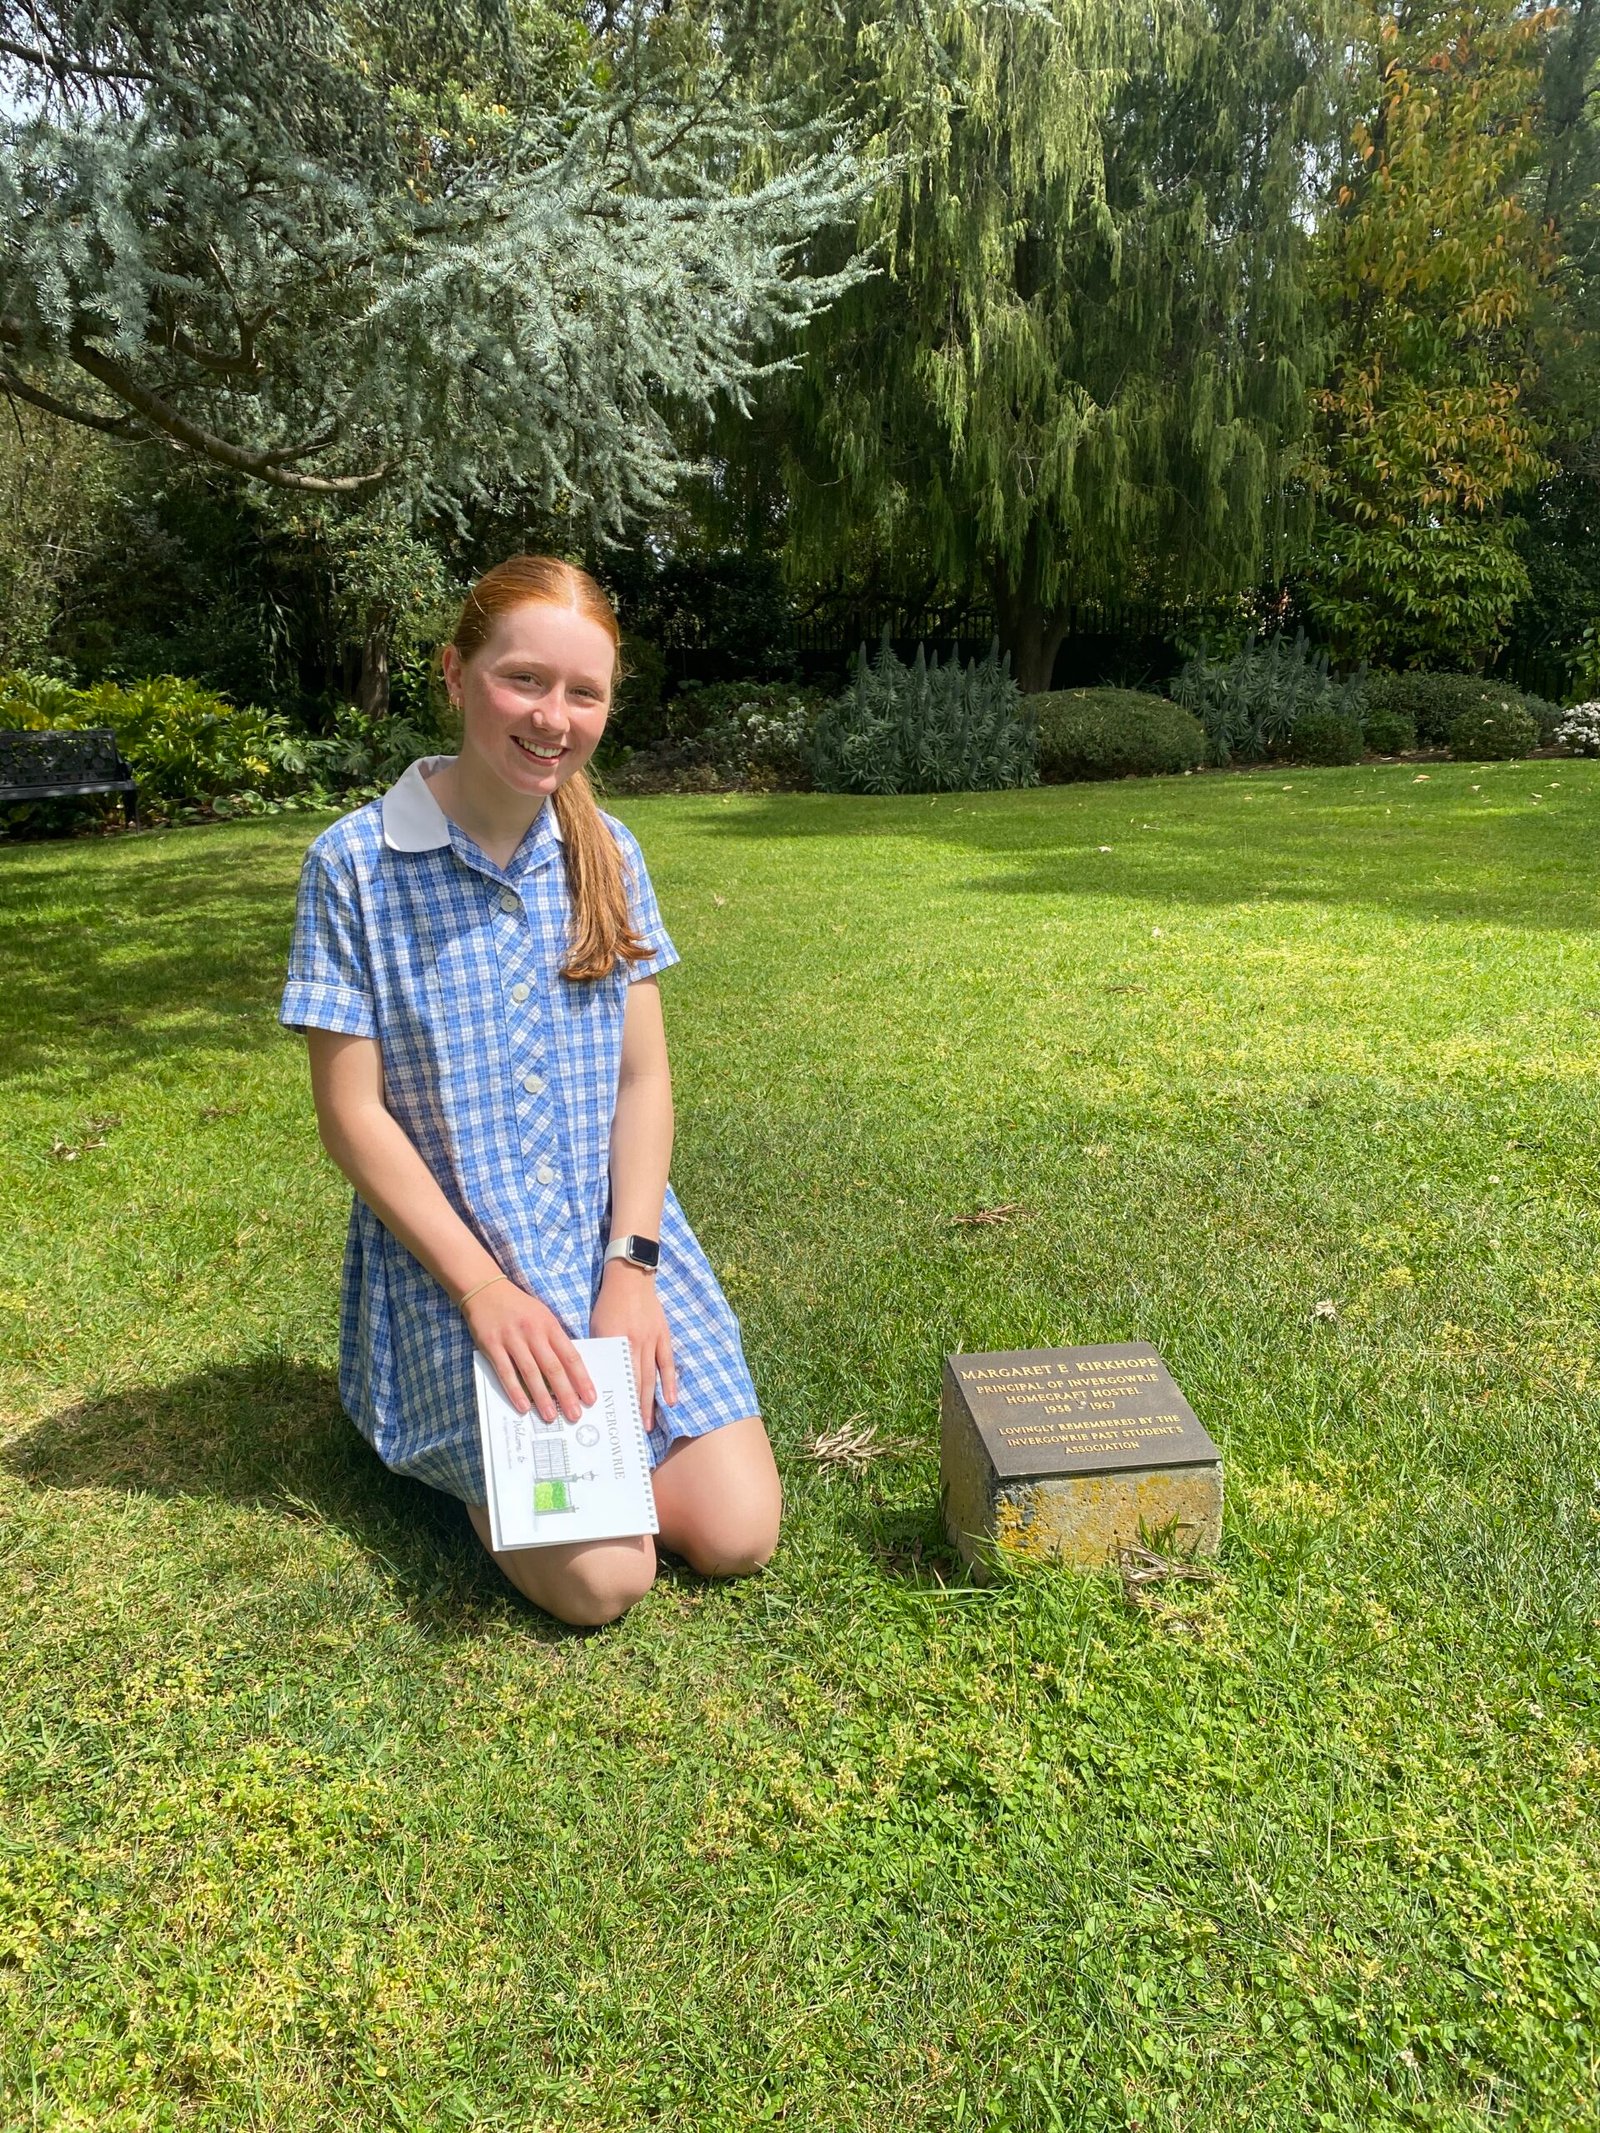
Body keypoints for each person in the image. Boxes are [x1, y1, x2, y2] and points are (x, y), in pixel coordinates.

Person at [279, 556, 782, 1625]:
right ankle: (458, 1443)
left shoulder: (608, 852)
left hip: (608, 1243)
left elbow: (642, 1077)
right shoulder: (354, 865)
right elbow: (351, 1116)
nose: (553, 717)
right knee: (605, 1583)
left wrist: (632, 1270)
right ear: (454, 674)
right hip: (458, 1266)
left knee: (738, 1533)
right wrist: (485, 1294)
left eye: (584, 692)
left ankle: (586, 1455)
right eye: (524, 680)